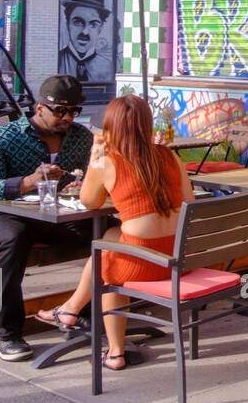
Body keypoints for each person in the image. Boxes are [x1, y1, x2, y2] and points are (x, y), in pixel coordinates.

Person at [35, 95, 194, 370]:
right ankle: (70, 310)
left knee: (107, 265)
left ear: (111, 126)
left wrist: (94, 158)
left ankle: (115, 351)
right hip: (179, 256)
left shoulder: (108, 161)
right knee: (109, 238)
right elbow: (188, 201)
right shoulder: (169, 155)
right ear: (147, 123)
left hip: (144, 266)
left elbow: (89, 201)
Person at [0, 75, 94, 362]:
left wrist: (84, 184)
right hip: (0, 213)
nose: (68, 118)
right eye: (60, 111)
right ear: (40, 108)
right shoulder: (5, 137)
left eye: (73, 111)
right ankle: (6, 333)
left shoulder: (81, 137)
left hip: (57, 214)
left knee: (107, 234)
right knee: (14, 240)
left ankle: (83, 313)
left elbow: (93, 175)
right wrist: (27, 181)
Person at [57, 0, 114, 83]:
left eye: (93, 24)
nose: (85, 32)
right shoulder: (57, 61)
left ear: (100, 28)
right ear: (67, 24)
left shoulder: (107, 67)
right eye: (78, 22)